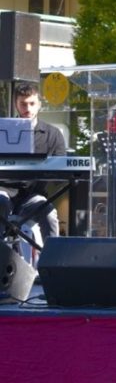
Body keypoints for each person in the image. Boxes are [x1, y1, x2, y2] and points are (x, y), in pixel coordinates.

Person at [0, 83, 66, 263]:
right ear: (15, 104)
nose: (27, 108)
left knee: (48, 212)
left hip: (32, 196)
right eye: (22, 104)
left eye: (31, 103)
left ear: (39, 104)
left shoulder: (53, 134)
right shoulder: (1, 131)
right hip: (3, 191)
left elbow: (62, 168)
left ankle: (55, 265)